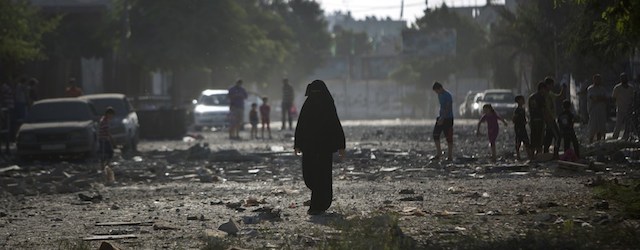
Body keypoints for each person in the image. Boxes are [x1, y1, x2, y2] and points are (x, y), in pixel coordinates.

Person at [294, 80, 345, 216]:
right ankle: (317, 201)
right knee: (309, 176)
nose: (316, 96)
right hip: (309, 147)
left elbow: (335, 124)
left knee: (322, 176)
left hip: (324, 148)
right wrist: (297, 144)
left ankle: (318, 206)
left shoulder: (328, 105)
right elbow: (301, 125)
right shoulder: (308, 105)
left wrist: (341, 146)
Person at [542, 77, 564, 157]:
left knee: (549, 137)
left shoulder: (550, 93)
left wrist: (563, 89)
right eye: (551, 85)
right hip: (549, 119)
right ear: (547, 85)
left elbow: (559, 97)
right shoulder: (544, 95)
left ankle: (546, 152)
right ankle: (555, 153)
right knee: (558, 136)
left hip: (552, 118)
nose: (552, 86)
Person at [431, 81, 454, 161]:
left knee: (449, 137)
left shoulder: (448, 95)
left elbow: (448, 107)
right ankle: (439, 153)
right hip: (441, 117)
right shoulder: (439, 95)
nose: (436, 93)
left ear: (440, 88)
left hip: (448, 118)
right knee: (435, 134)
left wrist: (443, 117)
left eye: (437, 91)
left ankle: (450, 156)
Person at [528, 81, 548, 157]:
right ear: (541, 89)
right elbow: (543, 110)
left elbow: (530, 110)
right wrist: (546, 119)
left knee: (533, 137)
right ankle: (538, 154)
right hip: (539, 120)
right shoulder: (541, 97)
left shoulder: (531, 97)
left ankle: (532, 155)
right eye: (544, 89)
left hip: (532, 120)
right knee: (540, 138)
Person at [587, 74, 608, 143]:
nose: (598, 81)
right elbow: (593, 98)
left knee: (600, 128)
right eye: (597, 79)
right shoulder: (590, 89)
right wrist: (600, 98)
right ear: (594, 80)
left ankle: (598, 142)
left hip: (601, 111)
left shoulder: (603, 89)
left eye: (599, 79)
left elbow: (605, 98)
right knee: (593, 127)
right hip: (593, 111)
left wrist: (599, 98)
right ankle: (590, 142)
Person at [611, 73, 633, 140]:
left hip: (628, 109)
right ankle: (615, 138)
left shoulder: (631, 88)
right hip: (620, 109)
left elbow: (633, 98)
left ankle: (626, 138)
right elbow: (613, 98)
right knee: (618, 125)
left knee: (628, 125)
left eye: (625, 78)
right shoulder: (617, 88)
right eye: (622, 78)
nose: (624, 79)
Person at [513, 95, 532, 160]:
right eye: (522, 99)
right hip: (519, 127)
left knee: (526, 141)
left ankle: (529, 155)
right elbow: (514, 118)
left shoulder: (522, 109)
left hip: (522, 127)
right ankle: (518, 155)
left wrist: (525, 121)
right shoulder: (518, 110)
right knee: (519, 141)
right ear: (518, 101)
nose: (523, 101)